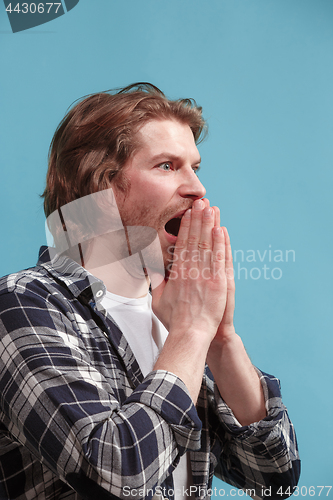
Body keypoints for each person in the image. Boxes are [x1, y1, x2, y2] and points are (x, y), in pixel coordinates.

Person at [0, 83, 300, 500]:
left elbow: (274, 478)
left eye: (195, 167)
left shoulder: (173, 312)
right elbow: (114, 476)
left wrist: (221, 338)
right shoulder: (23, 302)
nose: (197, 188)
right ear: (102, 191)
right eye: (166, 166)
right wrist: (192, 333)